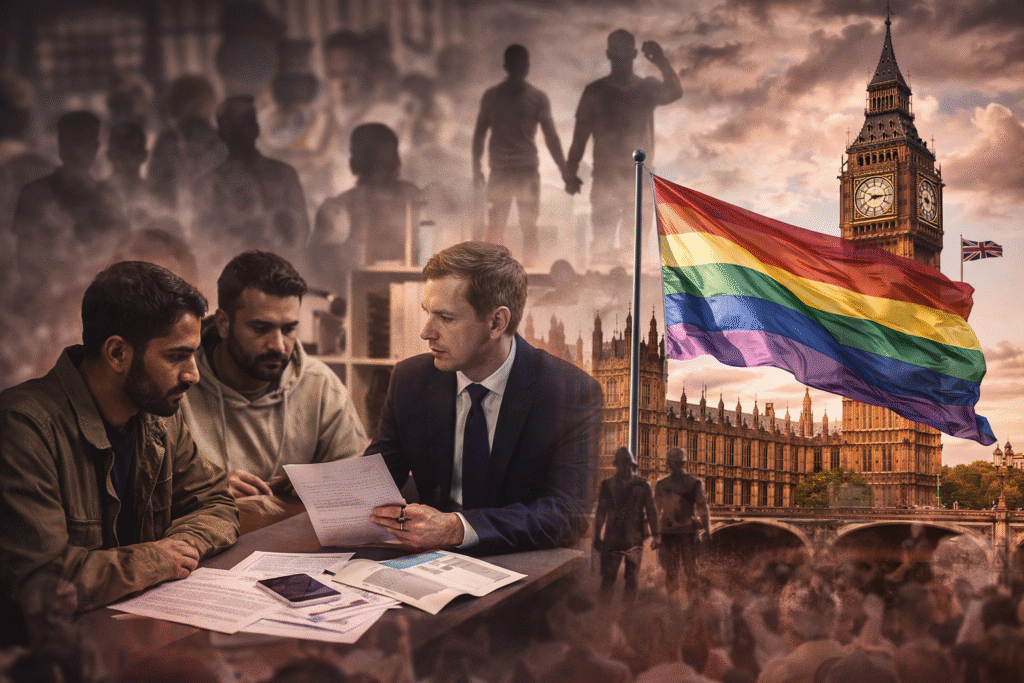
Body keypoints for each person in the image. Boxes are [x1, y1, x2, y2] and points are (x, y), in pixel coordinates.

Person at [0, 261, 238, 617]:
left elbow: (216, 501)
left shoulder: (159, 420)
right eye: (177, 356)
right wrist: (154, 560)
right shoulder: (23, 428)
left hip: (134, 636)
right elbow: (43, 583)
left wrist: (182, 546)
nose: (193, 374)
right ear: (117, 353)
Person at [367, 241, 602, 554]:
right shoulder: (410, 379)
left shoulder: (570, 391)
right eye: (427, 313)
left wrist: (456, 528)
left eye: (446, 318)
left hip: (522, 565)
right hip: (427, 561)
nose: (426, 332)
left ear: (496, 323)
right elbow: (374, 481)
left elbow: (568, 514)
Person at [180, 251, 368, 520]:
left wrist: (321, 484)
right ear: (223, 323)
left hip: (298, 550)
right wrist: (207, 489)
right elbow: (146, 497)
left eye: (289, 329)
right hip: (206, 550)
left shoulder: (321, 386)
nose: (278, 346)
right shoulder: (177, 387)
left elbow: (359, 488)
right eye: (260, 328)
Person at [564, 29, 681, 261]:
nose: (620, 56)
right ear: (608, 54)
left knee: (635, 248)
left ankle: (633, 294)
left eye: (624, 51)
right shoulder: (595, 91)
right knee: (602, 245)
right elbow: (579, 136)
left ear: (634, 54)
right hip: (606, 176)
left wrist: (661, 60)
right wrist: (570, 172)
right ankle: (602, 289)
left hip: (638, 177)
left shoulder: (646, 88)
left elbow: (675, 91)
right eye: (616, 51)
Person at [472, 44, 569, 265]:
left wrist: (565, 170)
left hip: (525, 170)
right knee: (497, 225)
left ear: (526, 67)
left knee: (528, 226)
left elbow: (551, 136)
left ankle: (530, 269)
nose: (518, 69)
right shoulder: (492, 96)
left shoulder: (537, 97)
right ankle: (492, 272)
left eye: (521, 64)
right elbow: (479, 134)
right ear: (508, 66)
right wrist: (475, 167)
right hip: (502, 170)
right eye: (515, 64)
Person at [192, 95, 310, 257]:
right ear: (221, 132)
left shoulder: (283, 175)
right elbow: (205, 239)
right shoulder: (209, 184)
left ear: (255, 127)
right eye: (232, 125)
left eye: (245, 122)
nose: (240, 131)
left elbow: (299, 233)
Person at [592, 446, 658, 599]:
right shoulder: (607, 485)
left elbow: (651, 511)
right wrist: (596, 535)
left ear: (629, 464)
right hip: (614, 540)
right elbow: (601, 511)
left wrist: (656, 535)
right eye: (620, 464)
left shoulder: (642, 484)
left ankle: (625, 616)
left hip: (632, 540)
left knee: (631, 580)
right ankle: (604, 616)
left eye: (625, 463)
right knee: (608, 579)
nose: (622, 467)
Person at [654, 446, 711, 598]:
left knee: (671, 573)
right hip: (687, 532)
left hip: (668, 533)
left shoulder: (661, 484)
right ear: (683, 463)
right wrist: (707, 529)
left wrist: (655, 536)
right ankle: (692, 606)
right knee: (690, 570)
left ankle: (674, 606)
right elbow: (702, 508)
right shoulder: (694, 482)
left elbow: (655, 512)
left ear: (668, 463)